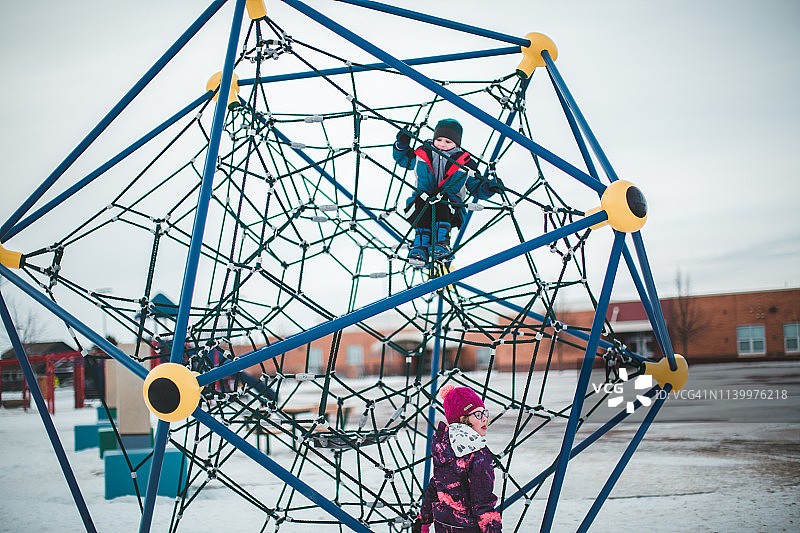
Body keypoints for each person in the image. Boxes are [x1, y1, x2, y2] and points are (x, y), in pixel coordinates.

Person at [393, 119, 503, 267]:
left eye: (448, 141)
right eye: (439, 139)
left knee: (442, 197)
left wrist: (489, 188)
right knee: (423, 198)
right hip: (420, 208)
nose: (442, 144)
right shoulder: (422, 153)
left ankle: (442, 243)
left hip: (450, 211)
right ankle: (420, 247)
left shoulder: (465, 164)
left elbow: (476, 188)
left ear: (457, 144)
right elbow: (402, 159)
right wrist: (401, 144)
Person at [413, 384, 502, 533]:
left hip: (443, 525)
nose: (484, 419)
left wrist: (423, 520)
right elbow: (483, 503)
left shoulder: (444, 446)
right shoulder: (477, 454)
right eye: (478, 415)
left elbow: (435, 485)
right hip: (468, 528)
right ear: (462, 419)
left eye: (484, 413)